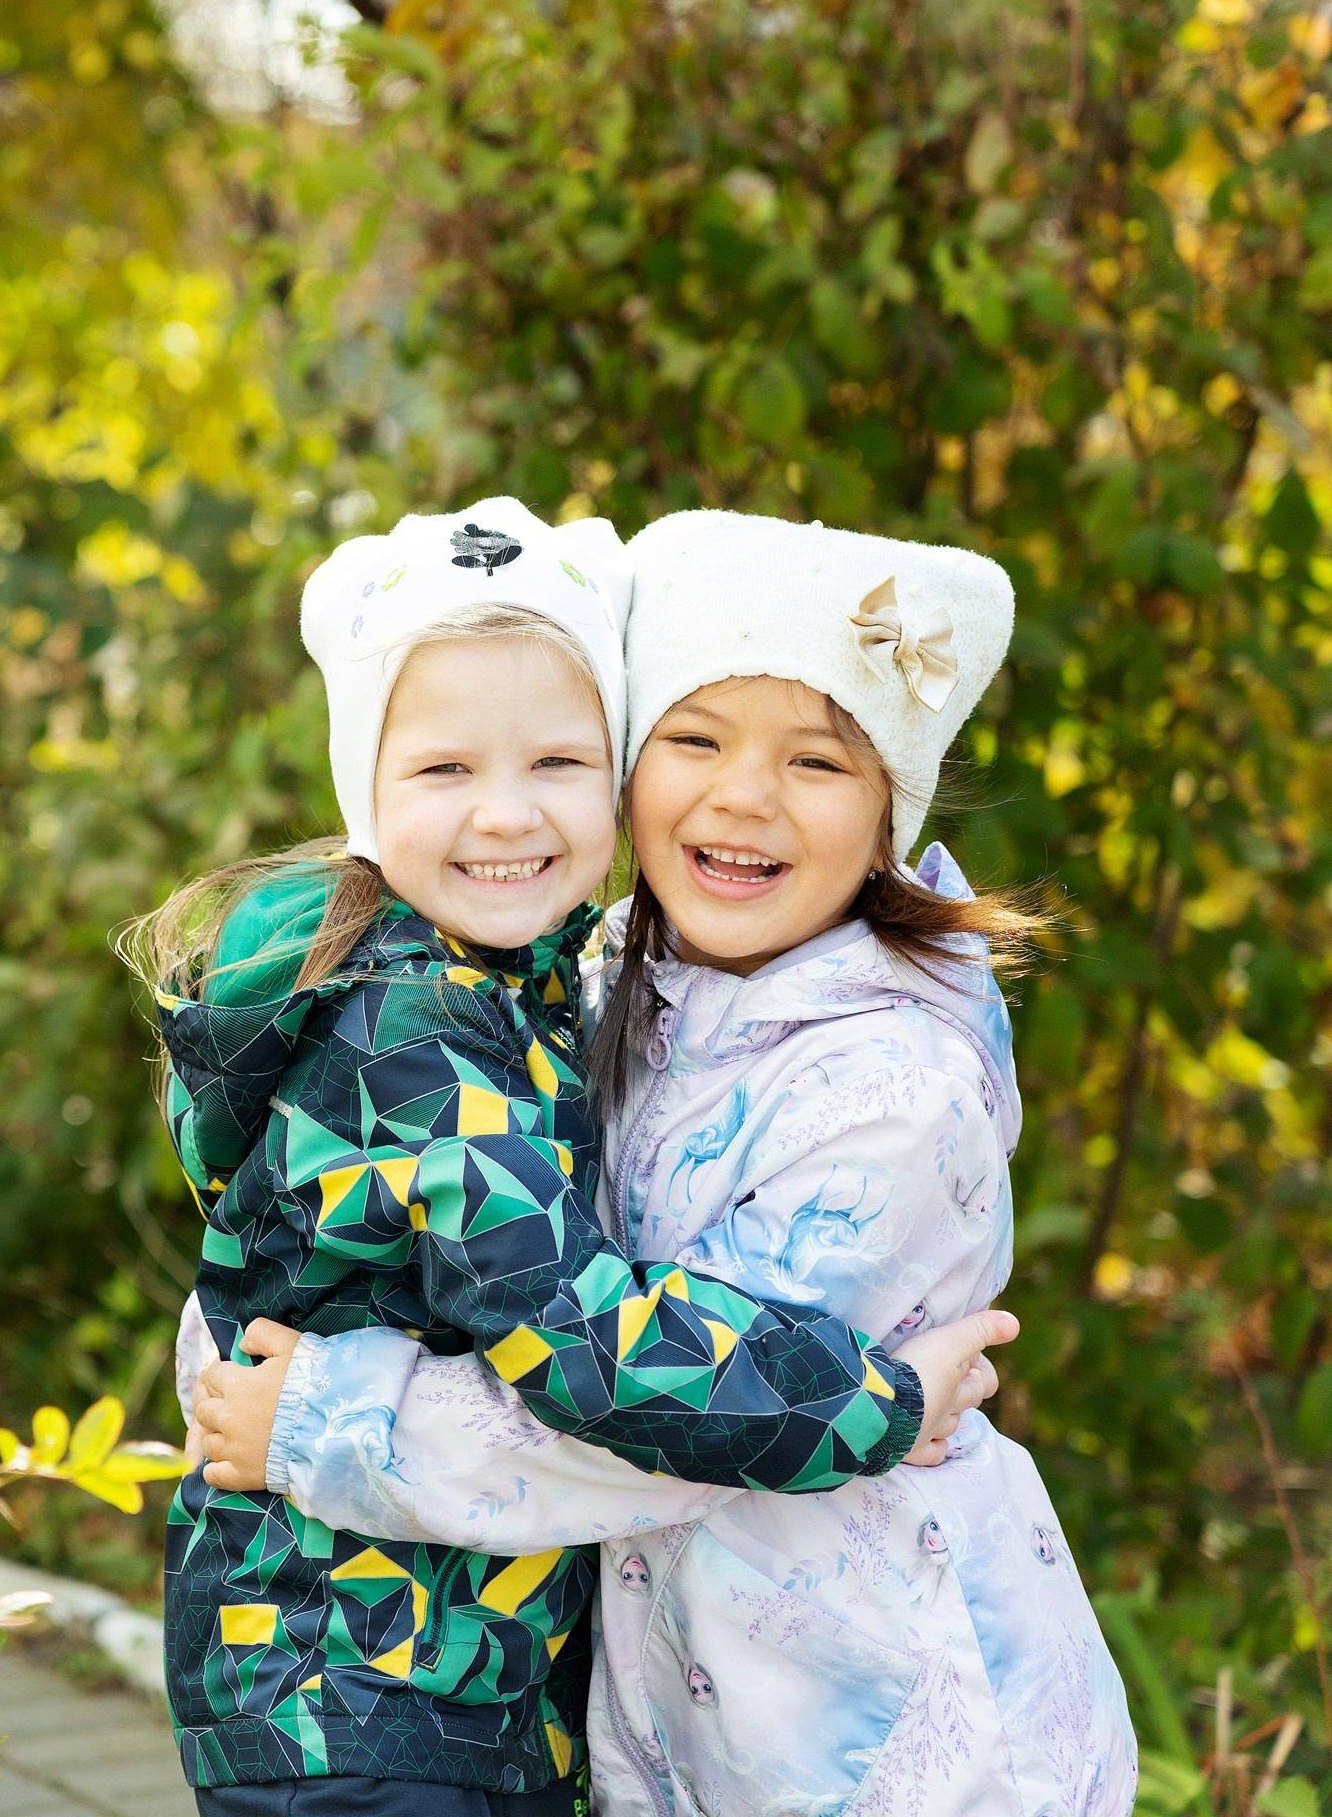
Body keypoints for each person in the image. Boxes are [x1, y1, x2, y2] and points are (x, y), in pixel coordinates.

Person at [192, 508, 1136, 1817]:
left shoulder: (890, 1095)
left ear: (886, 813)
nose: (742, 795)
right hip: (688, 1696)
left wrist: (335, 1416)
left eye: (816, 761)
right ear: (636, 770)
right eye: (695, 738)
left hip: (880, 1733)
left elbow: (662, 1428)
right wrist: (243, 1335)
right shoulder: (589, 982)